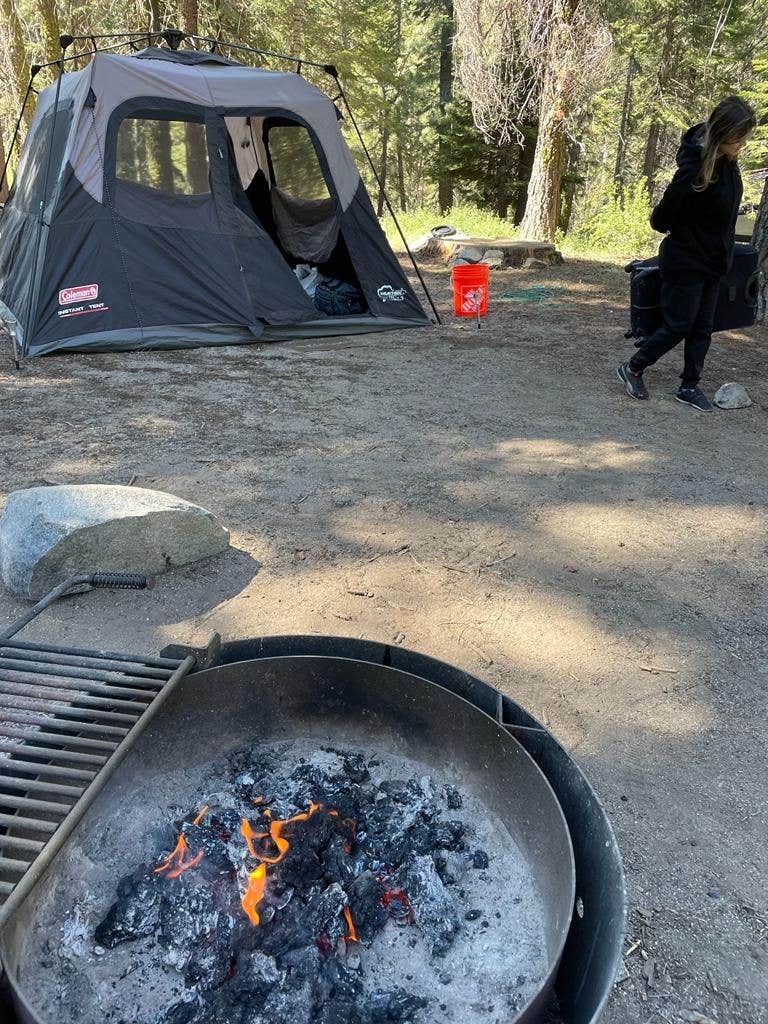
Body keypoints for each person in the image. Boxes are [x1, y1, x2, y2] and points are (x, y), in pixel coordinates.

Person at [618, 95, 756, 410]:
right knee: (679, 324)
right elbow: (664, 215)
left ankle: (689, 386)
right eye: (739, 138)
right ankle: (634, 367)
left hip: (714, 261)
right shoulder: (694, 169)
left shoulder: (729, 163)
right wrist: (680, 229)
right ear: (723, 133)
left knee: (703, 328)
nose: (743, 144)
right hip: (685, 260)